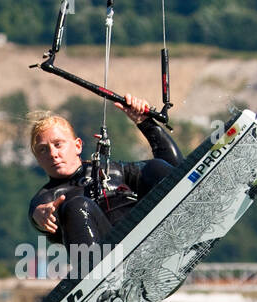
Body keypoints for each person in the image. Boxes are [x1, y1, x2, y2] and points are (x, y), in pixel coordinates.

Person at [28, 94, 181, 266]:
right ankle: (97, 276)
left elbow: (174, 169)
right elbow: (37, 211)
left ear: (77, 145)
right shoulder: (48, 197)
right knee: (78, 206)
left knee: (155, 167)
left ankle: (183, 218)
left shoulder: (114, 171)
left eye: (58, 144)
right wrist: (39, 217)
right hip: (111, 262)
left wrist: (146, 123)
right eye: (42, 150)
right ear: (37, 158)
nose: (52, 154)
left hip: (152, 241)